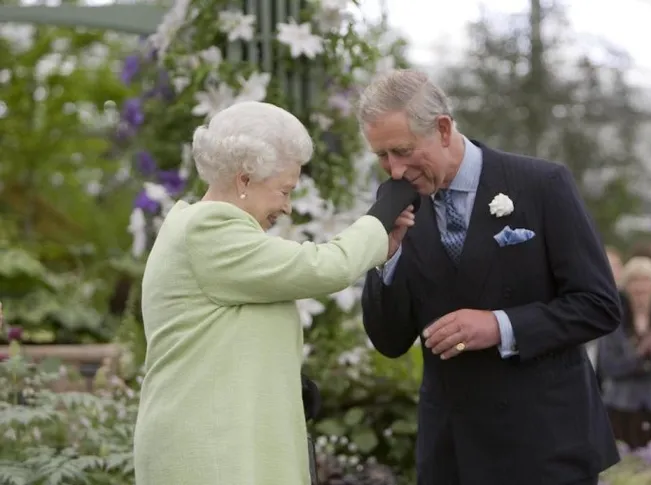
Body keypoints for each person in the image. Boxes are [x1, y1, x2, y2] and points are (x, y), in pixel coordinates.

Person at [133, 101, 418, 485]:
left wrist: (282, 384)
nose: (287, 207)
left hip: (225, 441)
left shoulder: (203, 229)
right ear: (244, 180)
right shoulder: (208, 229)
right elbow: (324, 267)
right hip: (209, 451)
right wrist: (381, 218)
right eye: (285, 190)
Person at [358, 69, 621, 485]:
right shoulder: (398, 204)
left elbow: (599, 306)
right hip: (452, 456)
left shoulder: (542, 184)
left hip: (545, 449)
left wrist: (500, 326)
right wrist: (386, 256)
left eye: (403, 150)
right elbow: (389, 341)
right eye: (382, 156)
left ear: (443, 129)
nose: (395, 170)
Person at [598, 257, 651, 449]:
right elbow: (608, 367)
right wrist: (638, 353)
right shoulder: (613, 322)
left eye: (646, 281)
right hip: (620, 405)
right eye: (634, 281)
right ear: (626, 286)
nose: (640, 287)